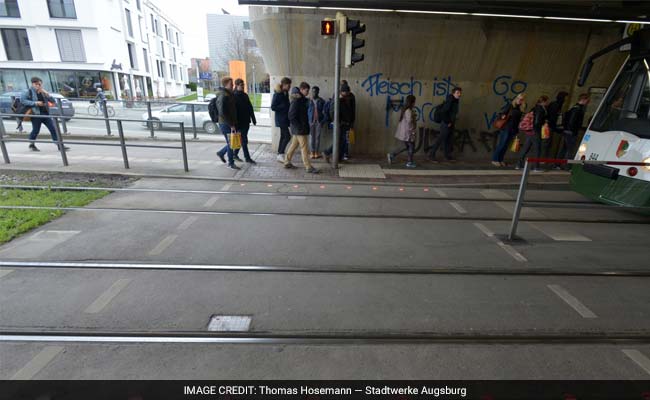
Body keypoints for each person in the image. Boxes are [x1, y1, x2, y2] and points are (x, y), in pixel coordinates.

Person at [21, 76, 68, 152]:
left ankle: (59, 145)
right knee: (36, 130)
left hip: (46, 114)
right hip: (36, 114)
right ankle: (31, 144)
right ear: (32, 84)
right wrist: (35, 103)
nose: (38, 86)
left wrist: (47, 94)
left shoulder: (43, 92)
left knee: (53, 128)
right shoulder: (28, 91)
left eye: (39, 84)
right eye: (36, 84)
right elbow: (23, 100)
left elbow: (53, 101)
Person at [285, 83, 319, 174]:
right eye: (306, 90)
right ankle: (308, 167)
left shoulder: (302, 100)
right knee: (304, 148)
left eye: (308, 90)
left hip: (299, 128)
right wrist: (299, 126)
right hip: (300, 129)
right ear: (301, 89)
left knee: (294, 145)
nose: (308, 92)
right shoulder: (296, 100)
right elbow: (291, 116)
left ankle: (287, 161)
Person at [491, 93, 527, 167]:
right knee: (502, 144)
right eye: (518, 98)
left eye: (522, 99)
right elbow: (501, 113)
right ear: (516, 98)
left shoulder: (521, 108)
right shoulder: (510, 106)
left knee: (506, 145)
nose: (519, 100)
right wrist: (503, 116)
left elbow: (518, 120)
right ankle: (495, 160)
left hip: (513, 129)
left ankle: (500, 160)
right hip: (506, 128)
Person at [555, 93, 590, 169]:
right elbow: (572, 121)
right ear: (583, 100)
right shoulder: (578, 109)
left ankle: (557, 164)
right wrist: (573, 131)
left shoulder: (573, 107)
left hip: (566, 131)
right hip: (571, 132)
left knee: (564, 149)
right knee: (570, 150)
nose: (588, 102)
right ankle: (567, 166)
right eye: (587, 100)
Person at [323, 83, 355, 163]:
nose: (348, 94)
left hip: (346, 124)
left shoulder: (346, 98)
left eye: (348, 92)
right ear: (342, 92)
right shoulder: (337, 100)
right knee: (339, 141)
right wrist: (338, 122)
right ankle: (327, 152)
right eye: (347, 92)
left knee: (343, 142)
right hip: (341, 124)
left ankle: (339, 158)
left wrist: (351, 122)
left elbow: (350, 111)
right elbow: (332, 112)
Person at [517, 95, 549, 171]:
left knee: (525, 148)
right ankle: (536, 167)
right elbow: (537, 121)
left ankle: (519, 165)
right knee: (537, 149)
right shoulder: (540, 109)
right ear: (544, 101)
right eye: (547, 101)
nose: (548, 102)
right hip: (535, 131)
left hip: (529, 131)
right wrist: (543, 124)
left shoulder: (534, 108)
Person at [429, 87, 462, 162]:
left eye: (460, 93)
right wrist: (448, 122)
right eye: (457, 93)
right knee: (440, 139)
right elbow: (443, 112)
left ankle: (447, 156)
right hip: (446, 124)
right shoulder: (450, 100)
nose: (459, 94)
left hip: (450, 123)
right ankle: (431, 154)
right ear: (453, 93)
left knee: (448, 140)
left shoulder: (455, 100)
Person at [215, 77, 240, 170]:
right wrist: (231, 125)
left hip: (229, 122)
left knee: (232, 142)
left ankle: (221, 153)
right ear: (225, 84)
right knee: (231, 143)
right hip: (225, 123)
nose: (233, 85)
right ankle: (230, 163)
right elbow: (222, 112)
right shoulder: (223, 95)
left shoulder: (229, 94)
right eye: (231, 83)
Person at [387, 95, 417, 168]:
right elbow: (409, 121)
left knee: (407, 146)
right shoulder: (408, 111)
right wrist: (413, 117)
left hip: (405, 132)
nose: (415, 103)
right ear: (412, 102)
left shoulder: (405, 109)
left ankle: (392, 155)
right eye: (414, 102)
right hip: (408, 132)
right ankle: (409, 162)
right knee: (411, 146)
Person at [232, 78, 257, 164]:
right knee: (244, 140)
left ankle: (234, 154)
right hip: (239, 123)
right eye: (241, 85)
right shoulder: (234, 96)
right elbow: (233, 111)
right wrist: (233, 124)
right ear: (236, 85)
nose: (243, 86)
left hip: (246, 122)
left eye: (243, 85)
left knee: (241, 140)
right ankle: (247, 157)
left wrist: (253, 119)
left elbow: (250, 108)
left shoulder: (245, 95)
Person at [271, 77, 292, 162]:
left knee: (283, 136)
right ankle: (280, 153)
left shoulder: (285, 92)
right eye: (289, 85)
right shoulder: (277, 94)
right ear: (284, 84)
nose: (290, 87)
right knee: (287, 136)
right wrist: (283, 106)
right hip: (281, 119)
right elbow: (273, 107)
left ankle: (280, 154)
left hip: (285, 118)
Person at [545, 91, 569, 158]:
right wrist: (556, 128)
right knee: (547, 144)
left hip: (551, 127)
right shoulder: (556, 105)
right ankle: (543, 159)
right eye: (565, 98)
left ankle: (544, 159)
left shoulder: (556, 104)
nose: (566, 100)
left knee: (548, 144)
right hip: (551, 127)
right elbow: (553, 117)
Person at [308, 86, 326, 159]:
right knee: (311, 137)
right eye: (313, 91)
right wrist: (307, 120)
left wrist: (322, 121)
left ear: (318, 92)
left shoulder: (321, 101)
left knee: (317, 137)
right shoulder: (309, 100)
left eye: (315, 91)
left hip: (319, 121)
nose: (313, 93)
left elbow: (325, 112)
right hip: (311, 121)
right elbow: (305, 111)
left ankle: (316, 152)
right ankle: (312, 152)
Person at [340, 80, 356, 160]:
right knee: (342, 138)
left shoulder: (351, 96)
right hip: (341, 121)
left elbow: (353, 109)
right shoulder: (339, 96)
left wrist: (352, 121)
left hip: (347, 121)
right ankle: (341, 153)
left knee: (346, 138)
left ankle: (344, 153)